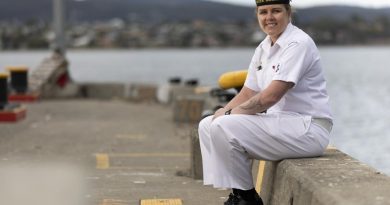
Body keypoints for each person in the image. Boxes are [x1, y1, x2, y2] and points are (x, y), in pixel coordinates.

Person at [198, 0, 333, 204]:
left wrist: (227, 116)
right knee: (207, 125)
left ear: (289, 13)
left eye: (276, 11)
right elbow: (248, 92)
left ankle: (248, 198)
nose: (269, 17)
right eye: (263, 12)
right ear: (257, 15)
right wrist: (224, 110)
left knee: (224, 125)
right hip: (281, 124)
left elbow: (270, 97)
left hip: (308, 128)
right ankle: (238, 194)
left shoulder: (298, 43)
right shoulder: (264, 47)